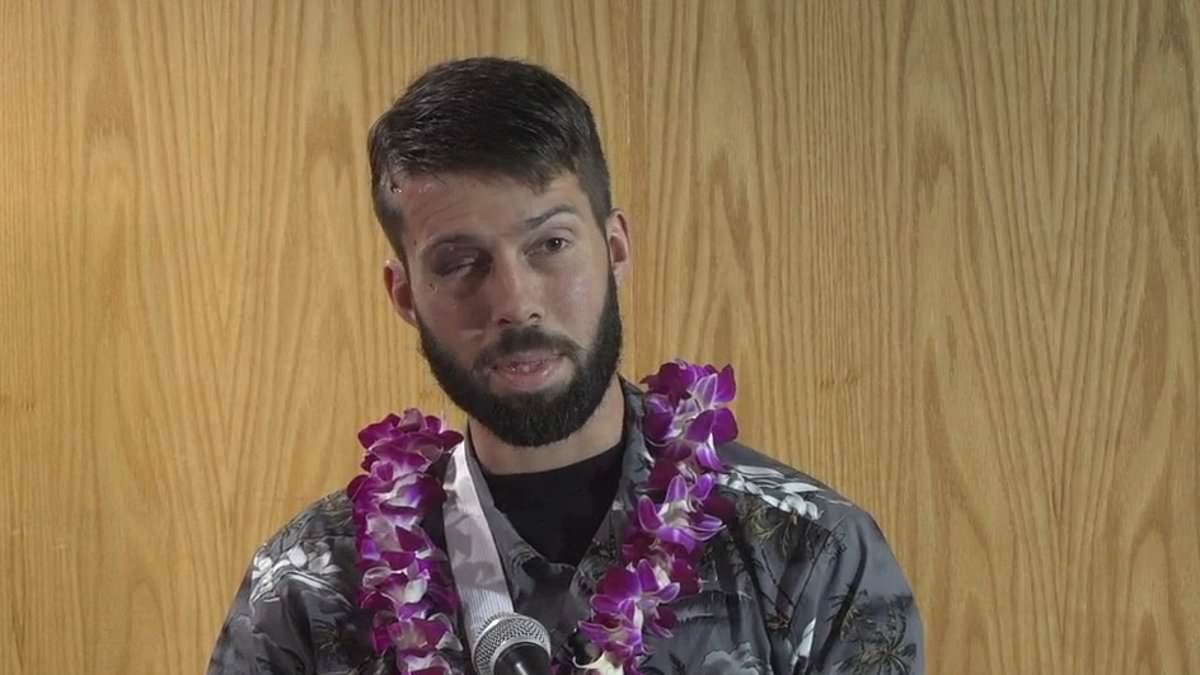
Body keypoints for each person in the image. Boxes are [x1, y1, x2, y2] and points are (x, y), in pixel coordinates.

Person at [208, 57, 923, 675]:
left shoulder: (810, 556)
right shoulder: (309, 587)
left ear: (614, 250)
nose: (515, 303)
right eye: (459, 262)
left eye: (549, 244)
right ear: (405, 296)